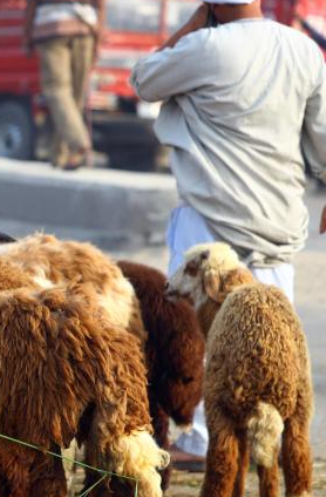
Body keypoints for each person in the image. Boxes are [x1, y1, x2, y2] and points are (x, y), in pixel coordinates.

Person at [131, 0, 326, 465]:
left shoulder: (203, 48)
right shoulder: (302, 50)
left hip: (210, 226)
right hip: (276, 222)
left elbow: (143, 80)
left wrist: (196, 22)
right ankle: (273, 443)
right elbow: (321, 132)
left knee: (202, 337)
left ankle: (203, 442)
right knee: (274, 339)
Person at [25, 0, 103, 170]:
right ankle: (60, 153)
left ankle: (78, 143)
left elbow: (31, 4)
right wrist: (99, 35)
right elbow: (100, 3)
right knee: (74, 96)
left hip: (52, 28)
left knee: (57, 90)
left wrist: (27, 35)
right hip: (85, 27)